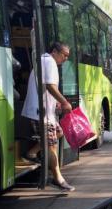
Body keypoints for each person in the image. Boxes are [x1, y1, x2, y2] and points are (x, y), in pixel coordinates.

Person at [21, 41, 75, 191]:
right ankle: (58, 178)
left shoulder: (43, 60)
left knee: (58, 133)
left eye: (67, 56)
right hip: (42, 114)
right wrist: (64, 102)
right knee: (51, 146)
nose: (65, 59)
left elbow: (45, 87)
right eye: (64, 55)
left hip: (43, 112)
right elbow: (50, 86)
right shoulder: (50, 62)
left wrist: (55, 102)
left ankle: (31, 152)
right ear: (55, 52)